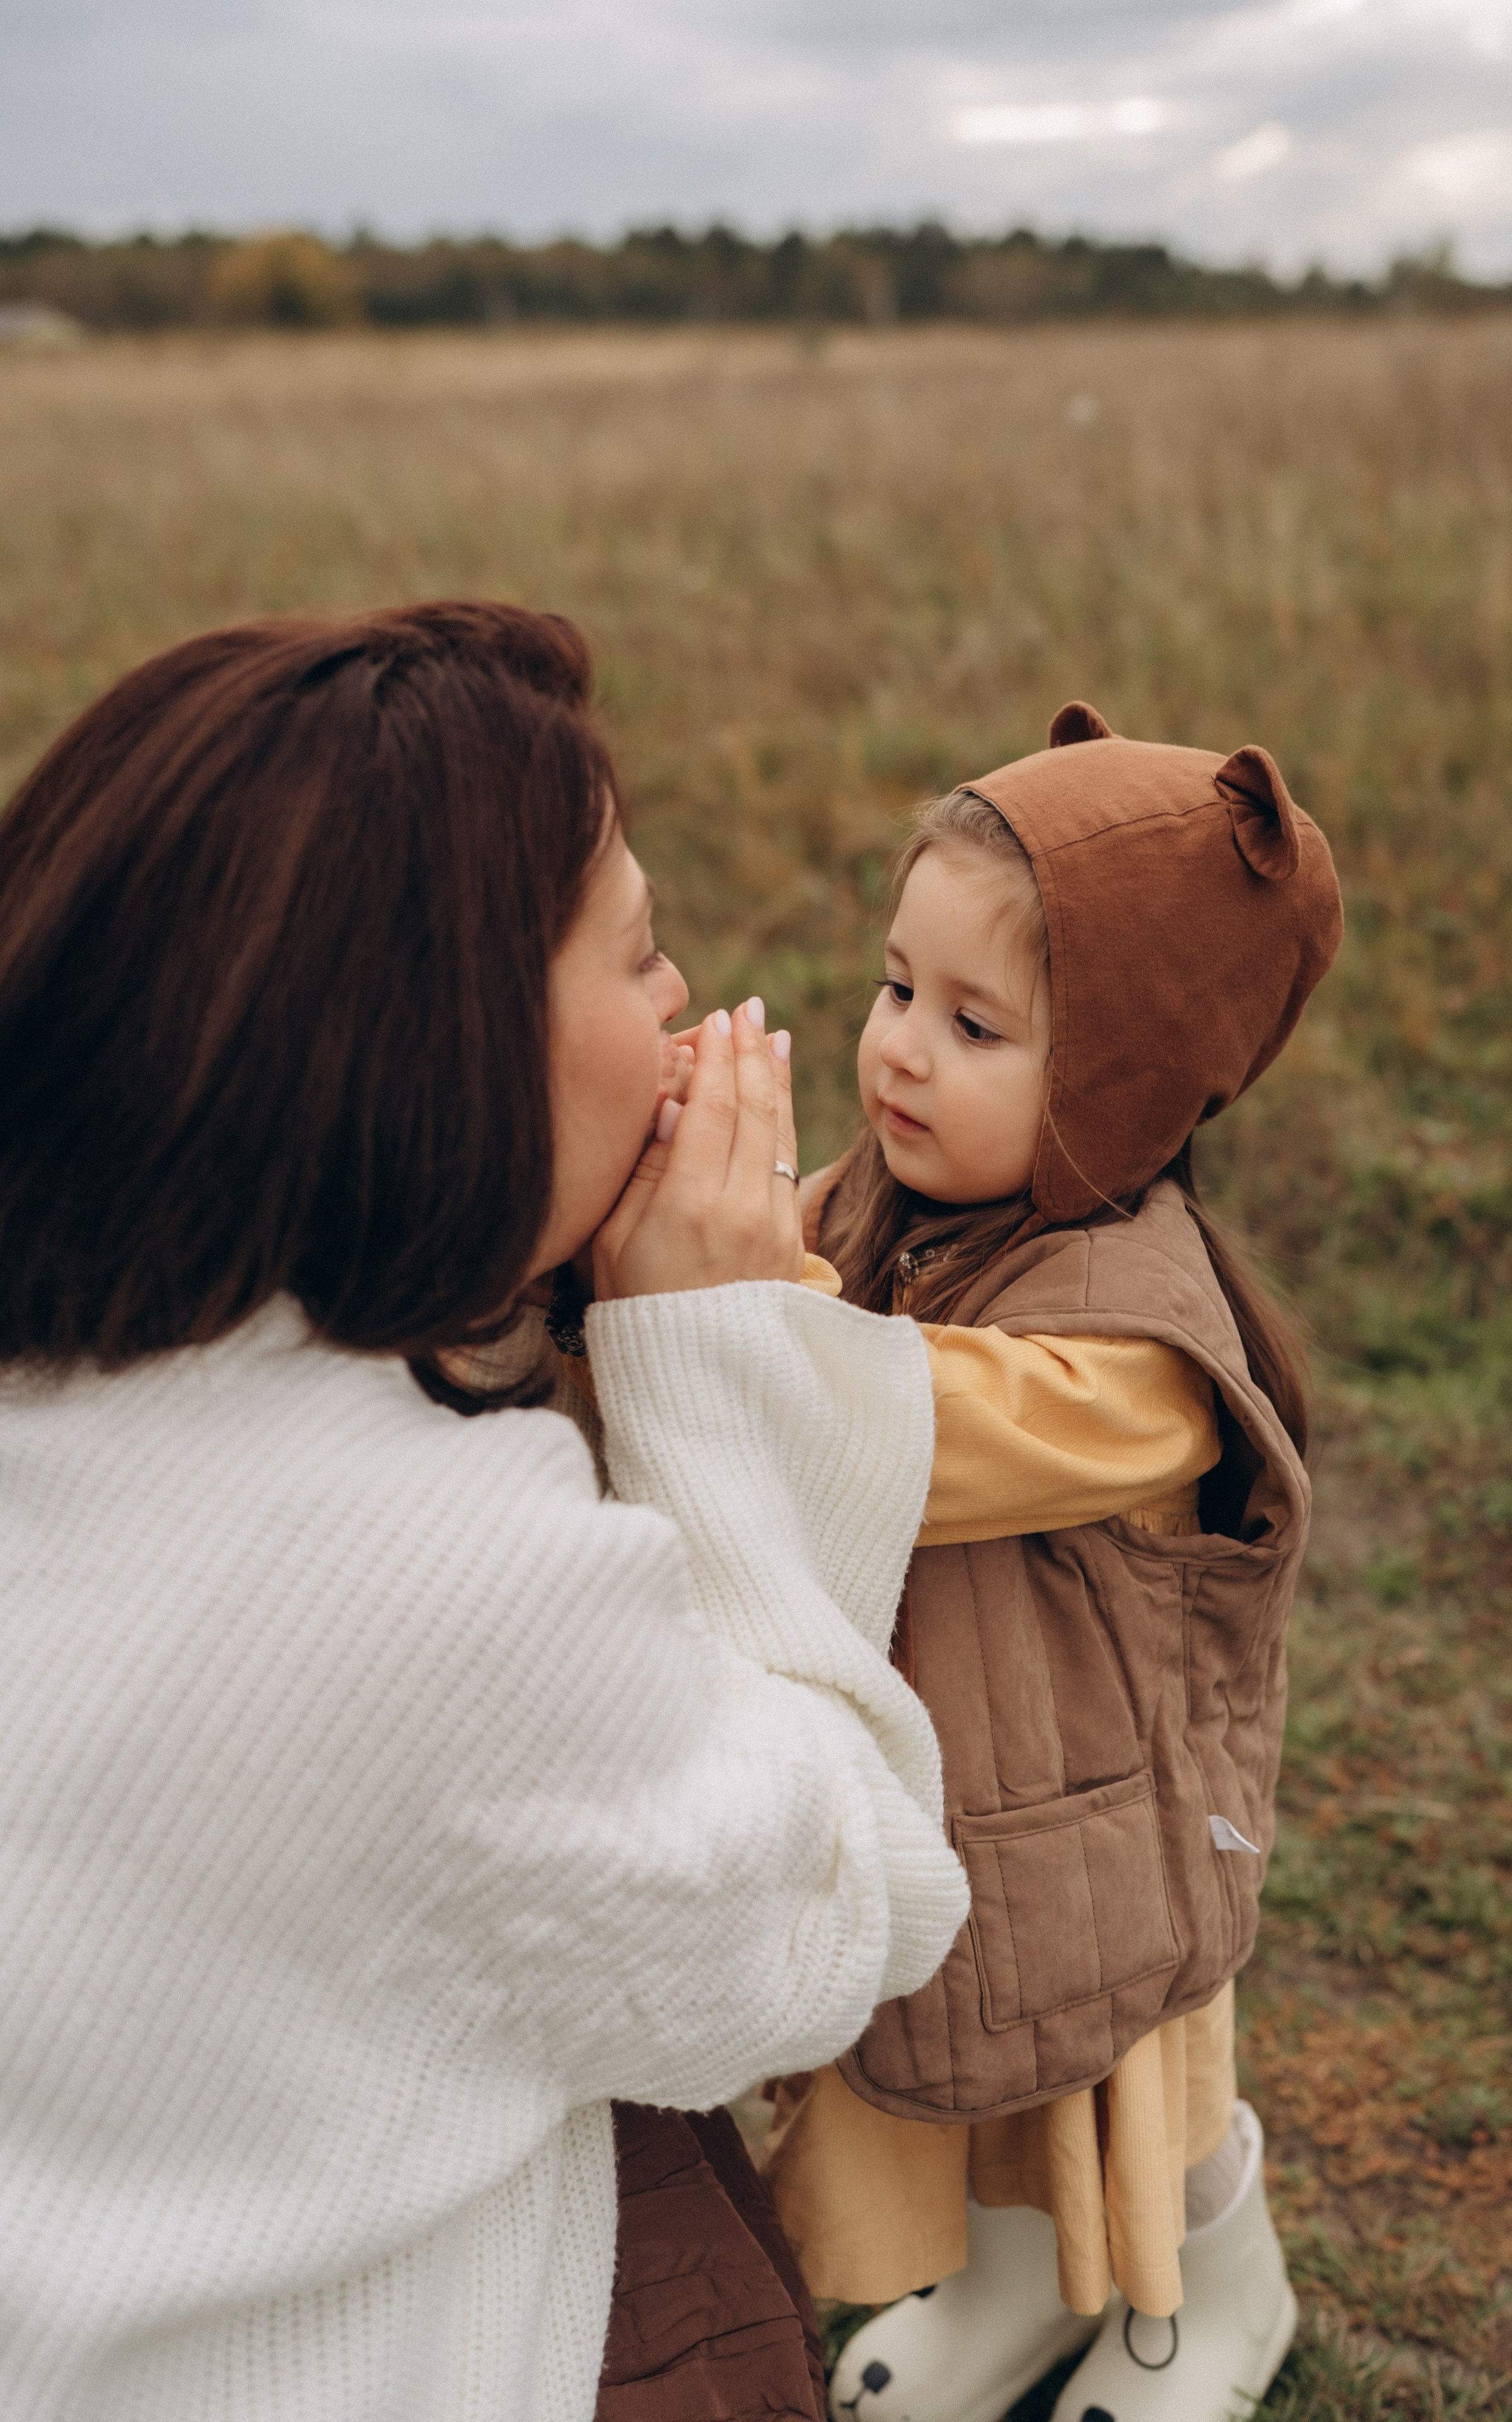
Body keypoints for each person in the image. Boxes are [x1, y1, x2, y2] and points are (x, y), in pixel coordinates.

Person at [0, 601, 971, 2422]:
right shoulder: (433, 1573)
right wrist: (721, 1363)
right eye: (641, 952)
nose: (681, 1005)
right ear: (443, 1048)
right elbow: (828, 1918)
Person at [759, 702, 1344, 2422]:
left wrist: (714, 1299)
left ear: (1120, 1079)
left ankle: (1207, 2303)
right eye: (895, 990)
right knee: (992, 2066)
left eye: (974, 1025)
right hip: (979, 1794)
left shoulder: (1139, 1356)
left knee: (1131, 2087)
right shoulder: (893, 1206)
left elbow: (905, 1422)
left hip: (1112, 1824)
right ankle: (1016, 2285)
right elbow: (781, 1272)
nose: (899, 1053)